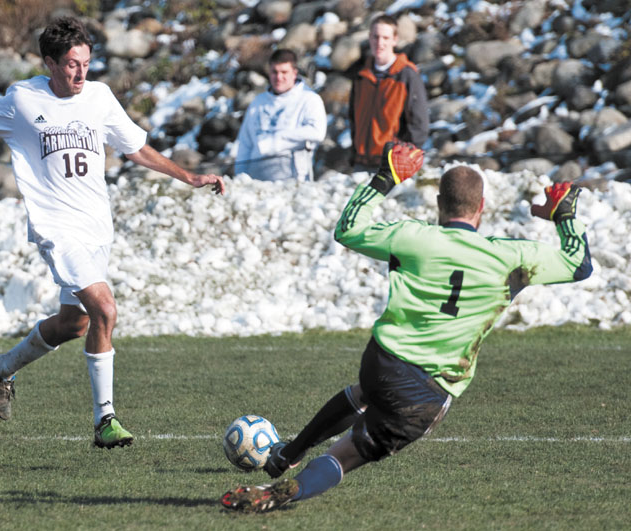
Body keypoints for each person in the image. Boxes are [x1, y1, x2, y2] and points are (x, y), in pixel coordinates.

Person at [0, 16, 225, 449]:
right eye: (72, 64)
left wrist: (188, 176)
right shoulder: (23, 99)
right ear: (50, 63)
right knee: (106, 311)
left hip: (97, 226)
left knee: (73, 324)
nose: (81, 73)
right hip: (57, 227)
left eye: (87, 63)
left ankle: (0, 368)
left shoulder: (99, 97)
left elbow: (135, 148)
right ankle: (104, 421)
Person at [220, 141, 592, 513]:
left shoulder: (412, 237)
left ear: (439, 205)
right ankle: (286, 491)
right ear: (482, 208)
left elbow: (348, 229)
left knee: (367, 391)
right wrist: (564, 216)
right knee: (348, 455)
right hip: (429, 389)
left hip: (383, 359)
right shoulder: (512, 256)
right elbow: (579, 265)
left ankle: (288, 454)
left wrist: (385, 178)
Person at [346, 14, 429, 170]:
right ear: (369, 38)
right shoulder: (360, 75)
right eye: (376, 37)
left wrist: (402, 159)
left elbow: (420, 125)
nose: (380, 43)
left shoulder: (407, 75)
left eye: (385, 37)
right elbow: (353, 119)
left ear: (394, 40)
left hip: (391, 166)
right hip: (361, 163)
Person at [234, 49, 327, 182]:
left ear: (294, 73)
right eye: (274, 72)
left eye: (284, 72)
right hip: (256, 179)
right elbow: (245, 143)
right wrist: (240, 176)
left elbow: (317, 132)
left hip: (292, 179)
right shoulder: (258, 102)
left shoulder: (310, 99)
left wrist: (277, 140)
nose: (279, 77)